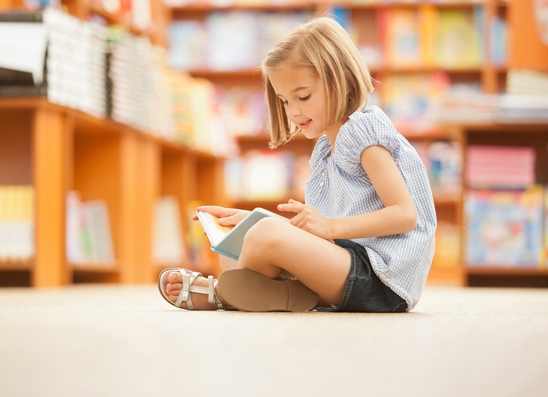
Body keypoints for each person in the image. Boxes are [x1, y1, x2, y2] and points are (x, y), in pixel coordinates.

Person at [157, 17, 437, 313]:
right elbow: (319, 233)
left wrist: (326, 226)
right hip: (348, 265)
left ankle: (220, 294)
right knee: (234, 242)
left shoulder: (363, 132)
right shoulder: (328, 148)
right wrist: (251, 220)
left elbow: (405, 215)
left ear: (339, 78)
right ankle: (286, 295)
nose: (293, 111)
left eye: (302, 96)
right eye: (284, 101)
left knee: (263, 236)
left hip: (382, 279)